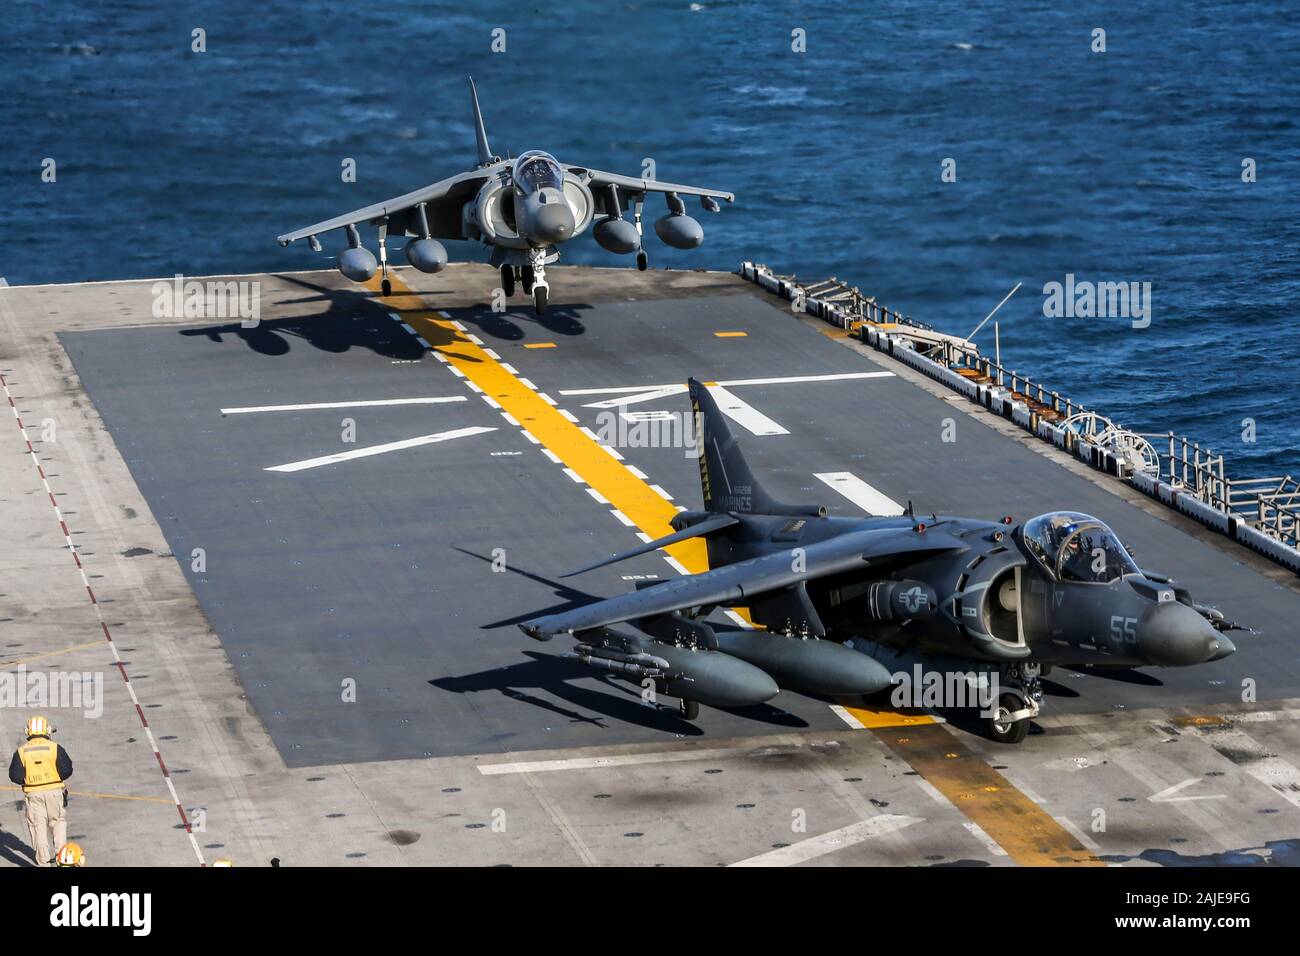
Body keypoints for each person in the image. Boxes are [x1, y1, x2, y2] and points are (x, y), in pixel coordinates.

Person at [8, 716, 74, 866]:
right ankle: (63, 860)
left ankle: (44, 863)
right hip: (55, 793)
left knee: (38, 829)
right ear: (46, 730)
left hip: (33, 796)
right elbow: (67, 770)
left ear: (29, 732)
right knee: (58, 825)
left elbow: (15, 776)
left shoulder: (21, 751)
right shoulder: (54, 747)